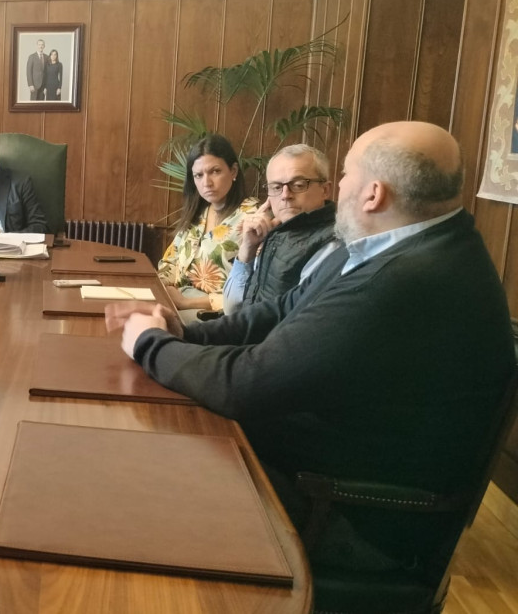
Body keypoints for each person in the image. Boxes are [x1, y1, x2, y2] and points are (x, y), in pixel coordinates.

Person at [113, 121, 515, 572]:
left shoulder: (406, 280)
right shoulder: (383, 246)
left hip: (351, 512)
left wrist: (149, 345)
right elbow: (280, 310)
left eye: (344, 174)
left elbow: (247, 383)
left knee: (142, 481)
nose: (338, 186)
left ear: (373, 194)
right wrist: (184, 333)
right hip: (321, 457)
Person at [222, 144, 337, 314]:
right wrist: (248, 248)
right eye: (276, 187)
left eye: (298, 185)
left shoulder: (333, 242)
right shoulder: (275, 233)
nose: (285, 195)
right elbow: (231, 308)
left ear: (325, 190)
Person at [157, 134, 258, 314]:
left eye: (215, 171)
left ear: (233, 171)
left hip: (216, 315)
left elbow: (253, 291)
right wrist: (161, 289)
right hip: (176, 303)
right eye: (198, 175)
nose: (207, 183)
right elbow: (169, 262)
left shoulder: (252, 217)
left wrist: (185, 303)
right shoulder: (198, 213)